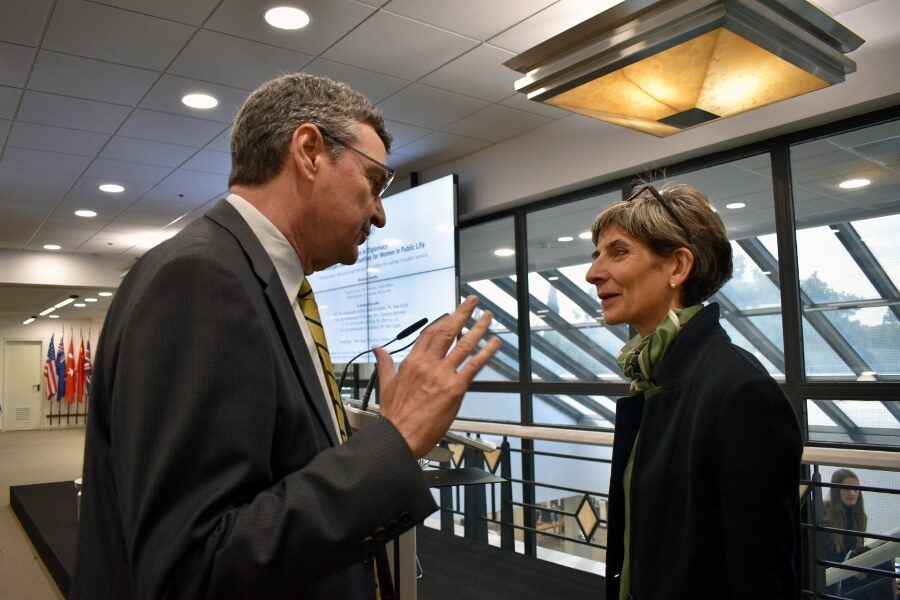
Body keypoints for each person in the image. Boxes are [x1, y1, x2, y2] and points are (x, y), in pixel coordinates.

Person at [70, 73, 500, 599]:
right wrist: (398, 442)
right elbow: (195, 567)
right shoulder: (204, 280)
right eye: (375, 181)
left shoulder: (255, 281)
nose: (382, 214)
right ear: (309, 151)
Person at [585, 182, 803, 600]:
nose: (593, 272)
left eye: (618, 252)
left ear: (677, 267)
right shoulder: (653, 378)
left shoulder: (741, 393)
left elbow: (764, 581)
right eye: (597, 254)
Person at [822, 469, 872, 597]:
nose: (852, 493)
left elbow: (857, 549)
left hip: (852, 572)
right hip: (831, 574)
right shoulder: (824, 513)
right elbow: (826, 554)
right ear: (837, 491)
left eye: (855, 489)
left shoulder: (860, 517)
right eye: (847, 489)